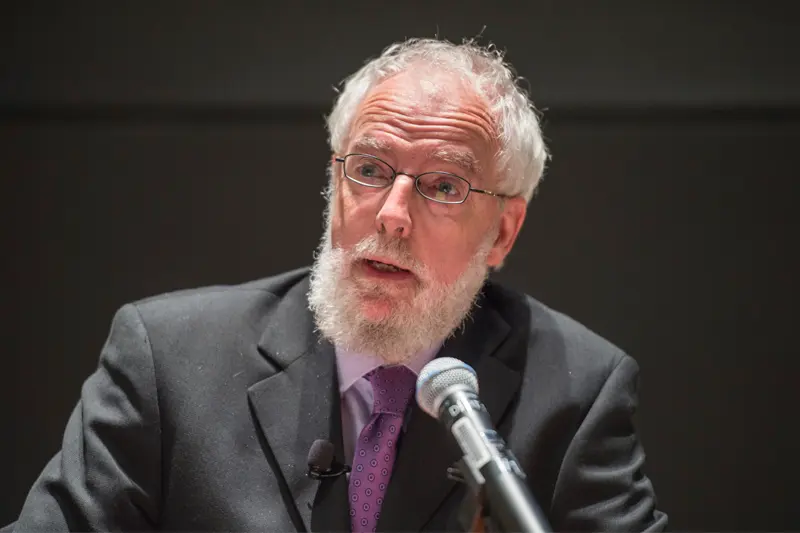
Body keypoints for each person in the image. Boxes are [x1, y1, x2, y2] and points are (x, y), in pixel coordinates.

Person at [10, 38, 667, 532]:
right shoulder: (169, 361)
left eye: (443, 185)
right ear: (334, 186)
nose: (391, 213)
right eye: (371, 168)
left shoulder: (576, 393)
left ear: (502, 230)